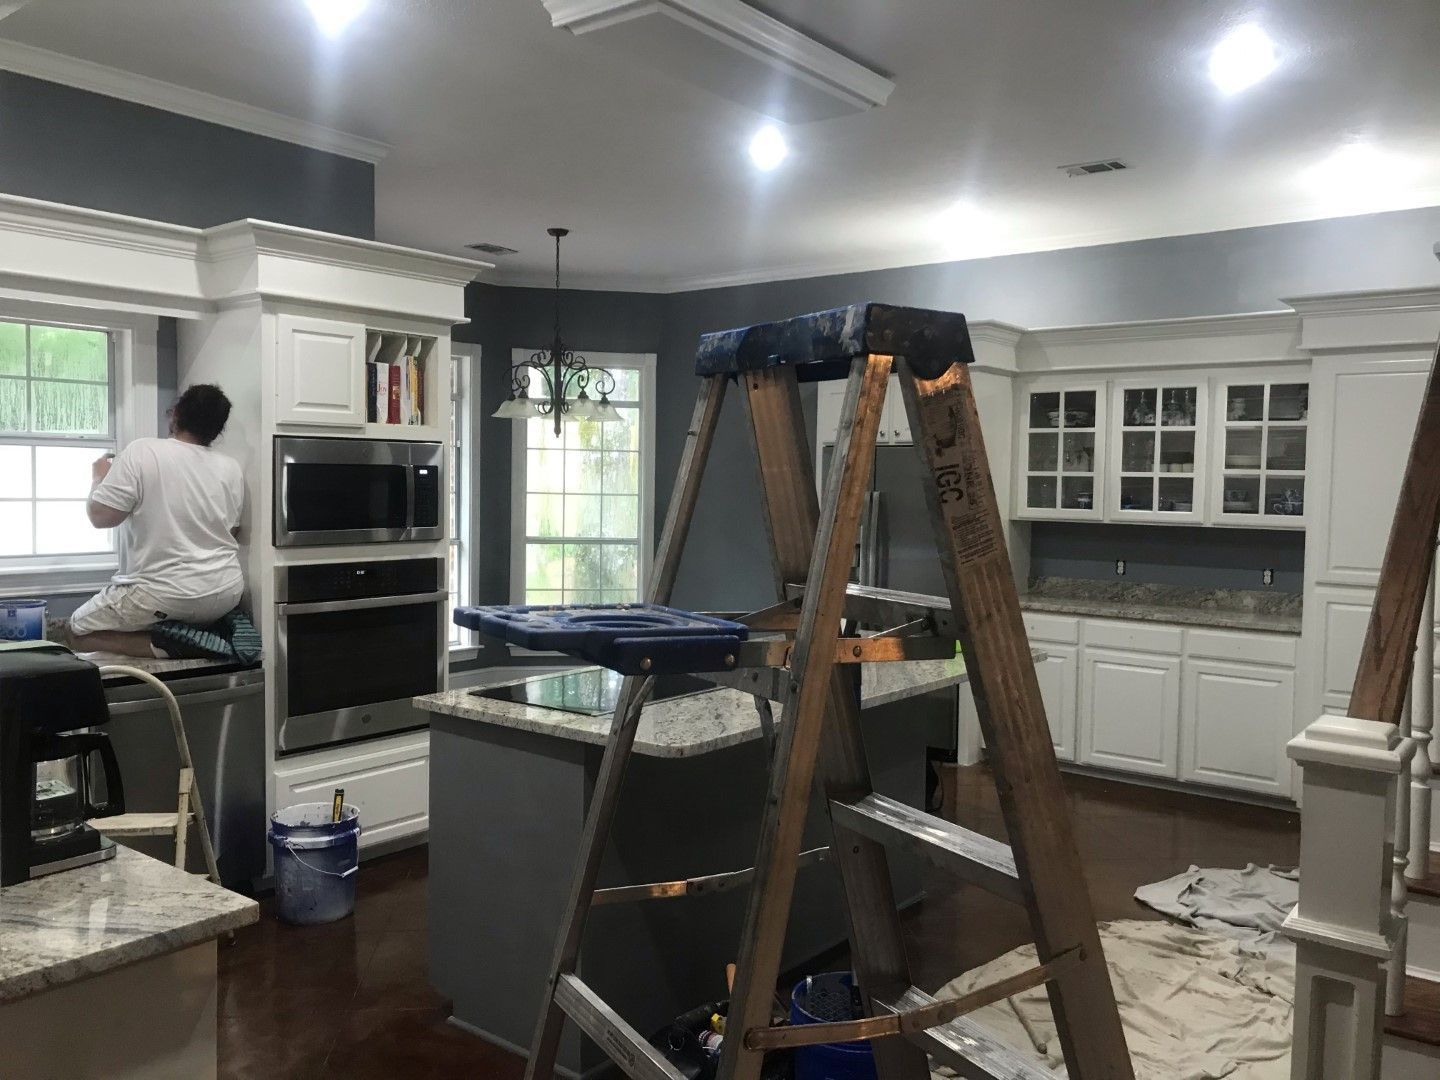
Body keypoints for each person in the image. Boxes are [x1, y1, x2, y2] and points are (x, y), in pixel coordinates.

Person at [66, 383, 246, 658]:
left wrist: (99, 478)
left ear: (175, 414)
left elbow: (101, 516)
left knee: (76, 632)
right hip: (226, 592)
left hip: (165, 595)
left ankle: (166, 645)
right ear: (217, 430)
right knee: (183, 608)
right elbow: (229, 531)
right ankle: (202, 633)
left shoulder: (142, 451)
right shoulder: (231, 467)